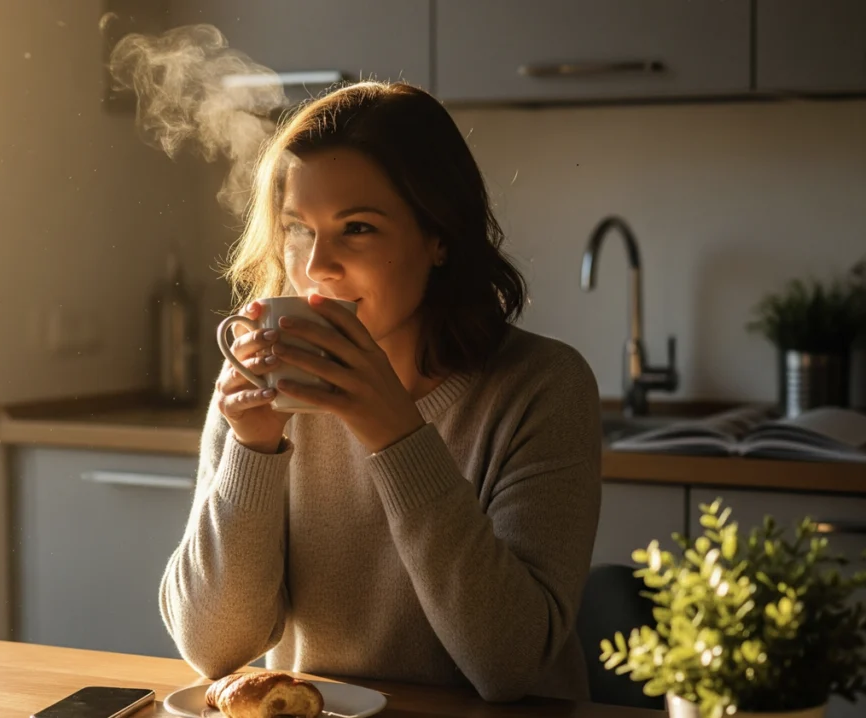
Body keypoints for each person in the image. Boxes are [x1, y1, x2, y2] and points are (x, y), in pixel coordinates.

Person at [159, 81, 602, 703]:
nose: (317, 267)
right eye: (297, 229)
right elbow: (212, 649)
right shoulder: (263, 382)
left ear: (438, 237)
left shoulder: (543, 388)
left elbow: (511, 666)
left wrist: (395, 435)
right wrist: (252, 451)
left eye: (357, 228)